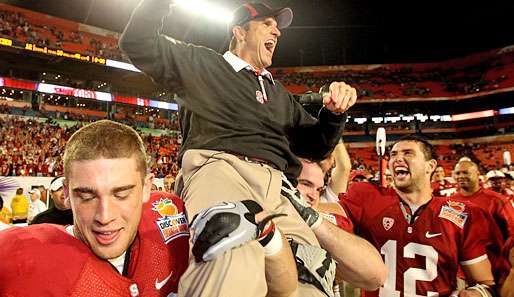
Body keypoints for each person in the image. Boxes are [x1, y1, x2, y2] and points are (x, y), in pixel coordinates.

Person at [120, 1, 357, 297]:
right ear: (239, 32)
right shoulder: (202, 63)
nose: (277, 32)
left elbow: (316, 147)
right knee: (230, 253)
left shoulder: (278, 94)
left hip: (276, 186)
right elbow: (137, 42)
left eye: (277, 27)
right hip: (220, 167)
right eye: (267, 24)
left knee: (311, 273)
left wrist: (334, 114)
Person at [289, 135, 499, 296]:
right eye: (393, 155)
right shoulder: (367, 196)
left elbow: (484, 283)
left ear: (430, 166)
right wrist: (292, 204)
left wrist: (475, 292)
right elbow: (329, 212)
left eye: (407, 153)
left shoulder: (460, 213)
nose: (397, 159)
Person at [0, 120, 189, 296]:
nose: (105, 216)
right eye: (87, 197)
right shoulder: (18, 257)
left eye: (121, 195)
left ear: (147, 188)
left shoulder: (171, 221)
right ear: (66, 193)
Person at [295, 158, 386, 292]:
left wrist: (315, 223)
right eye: (306, 184)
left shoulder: (328, 222)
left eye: (319, 189)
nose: (314, 195)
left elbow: (375, 277)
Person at [452, 160, 514, 283]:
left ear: (477, 174)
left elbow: (512, 234)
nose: (461, 176)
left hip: (492, 268)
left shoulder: (497, 201)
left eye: (465, 172)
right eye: (458, 173)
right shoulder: (449, 202)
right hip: (459, 270)